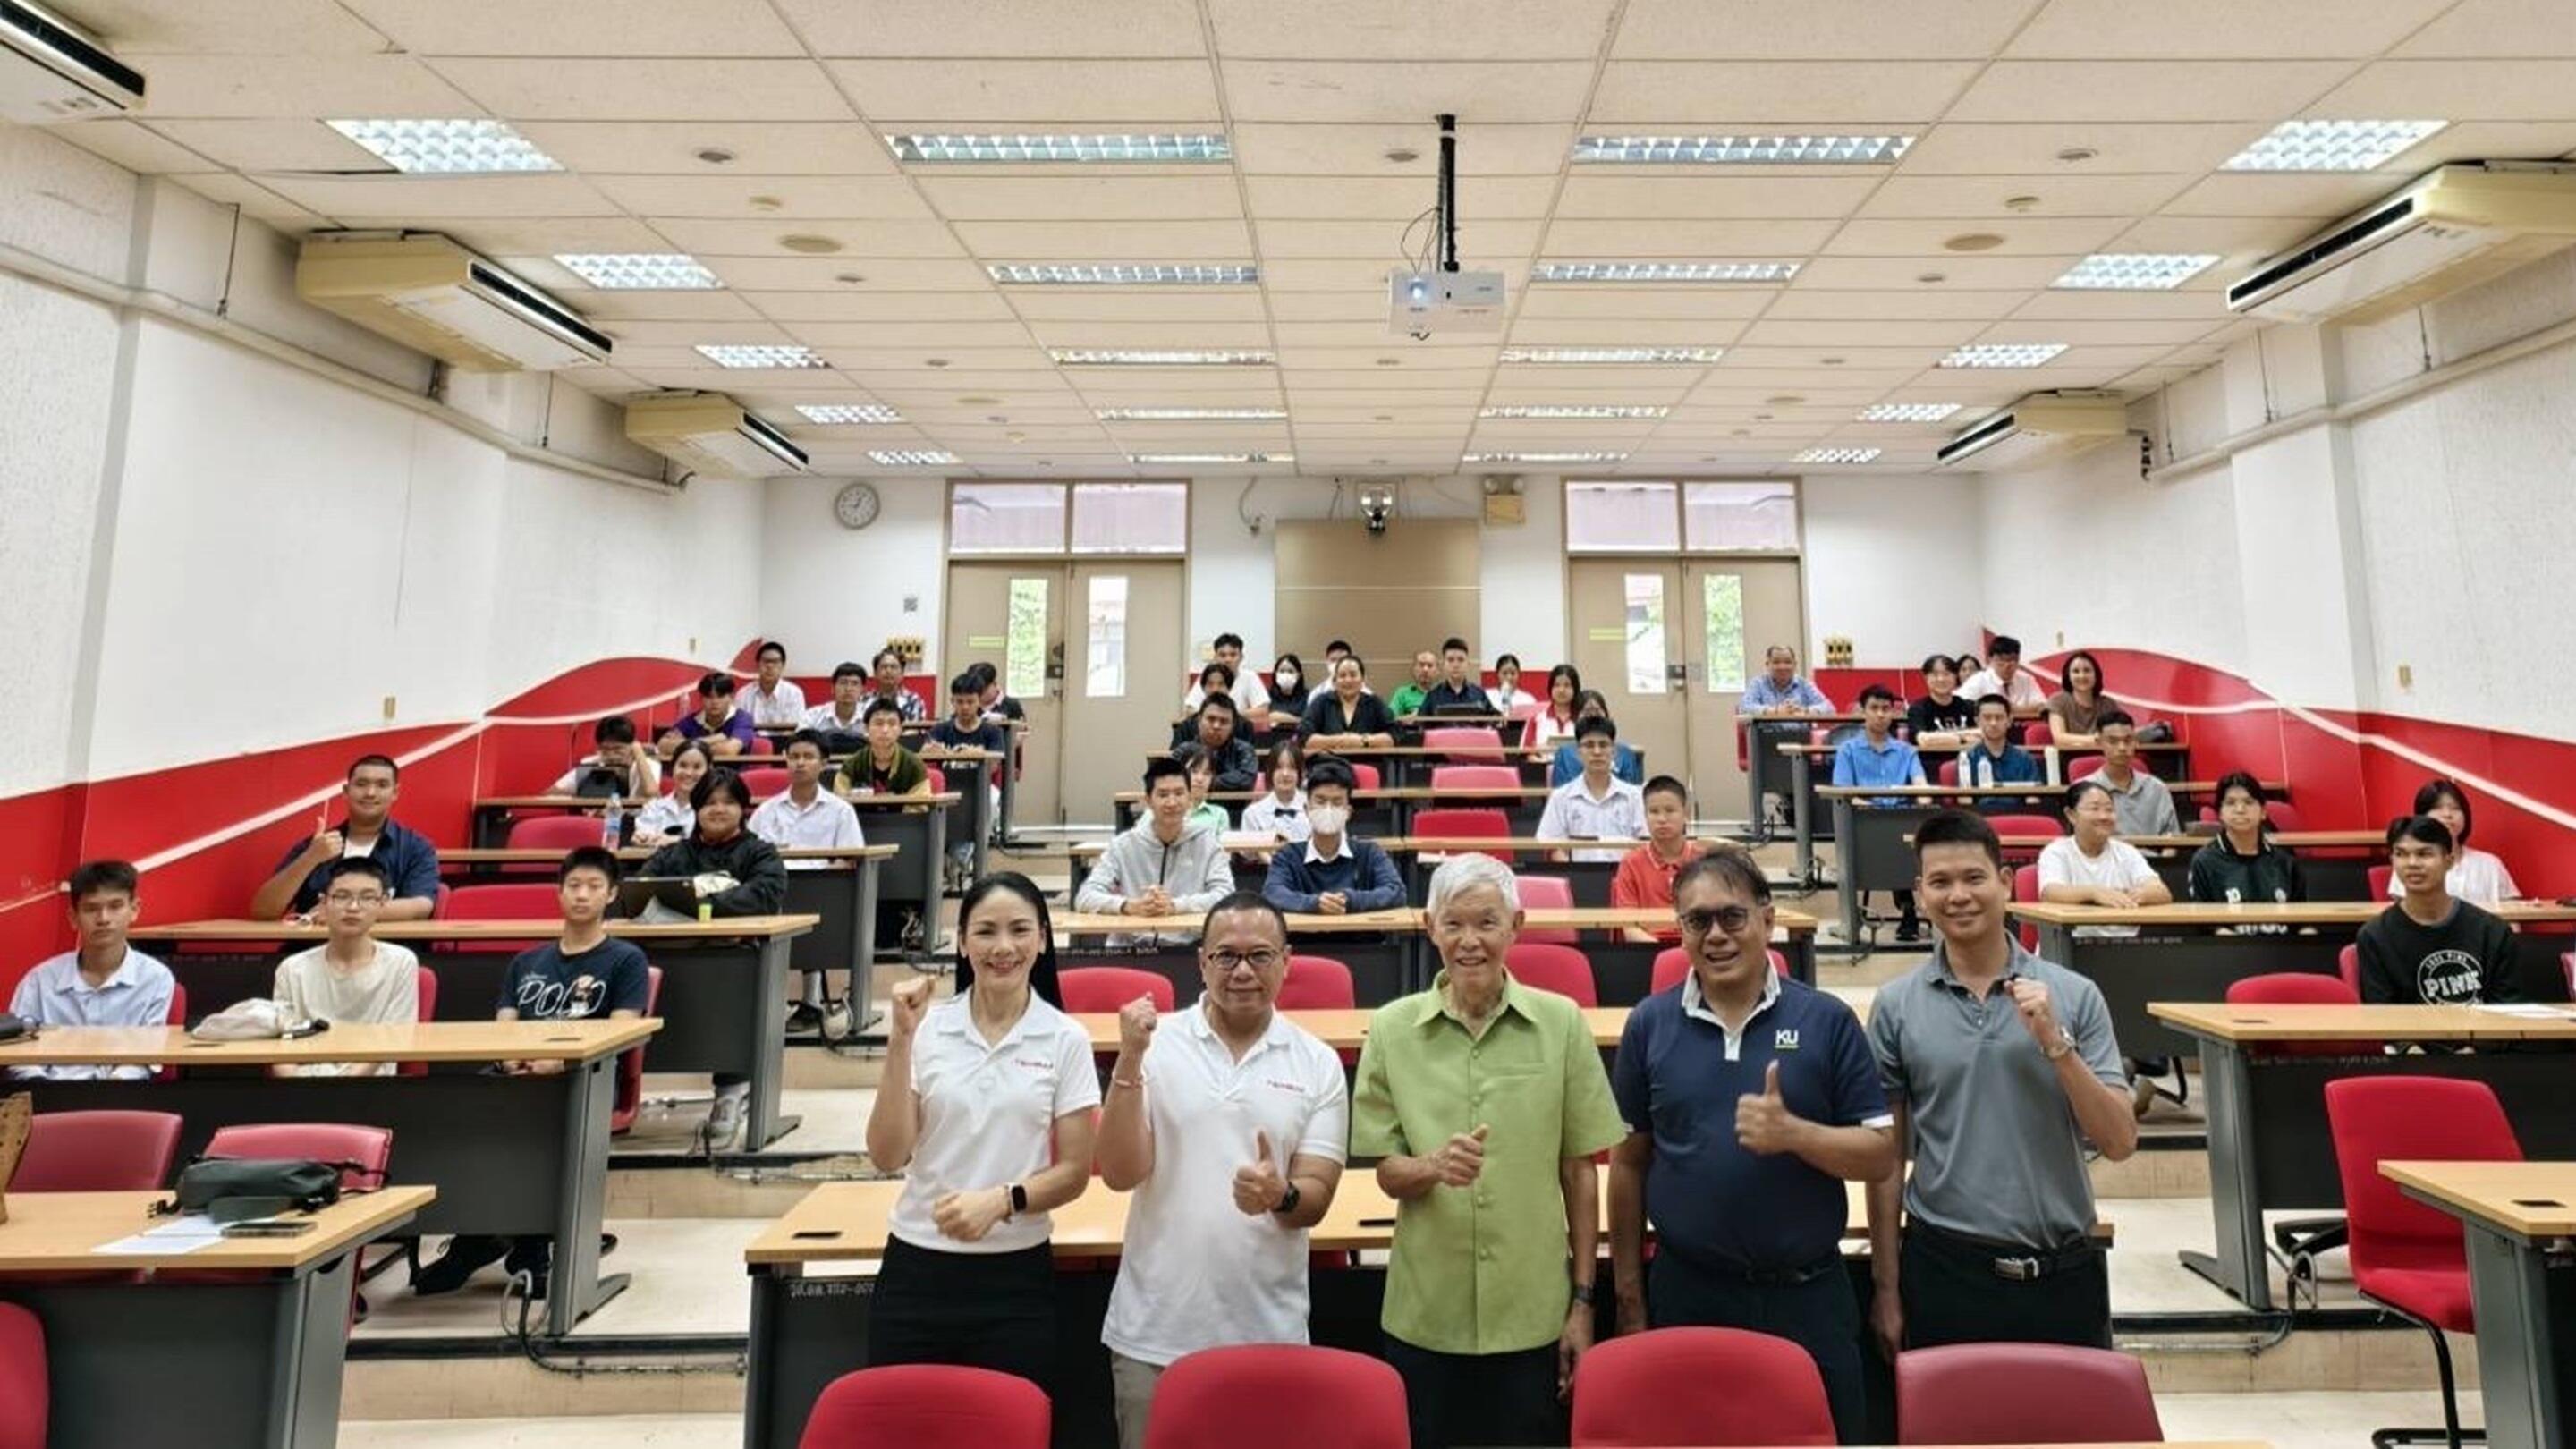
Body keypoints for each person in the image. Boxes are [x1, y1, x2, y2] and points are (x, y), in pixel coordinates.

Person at [1609, 852, 1895, 1441]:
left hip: (1807, 1295)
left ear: (1768, 919)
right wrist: (1630, 1297)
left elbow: (1879, 1155)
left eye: (1732, 917)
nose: (1715, 935)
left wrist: (1796, 1134)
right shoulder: (1649, 1024)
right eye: (1697, 921)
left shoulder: (1827, 1021)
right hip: (1689, 1291)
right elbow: (1629, 1162)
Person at [1350, 854, 1629, 1449]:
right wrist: (1429, 1167)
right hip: (1425, 1316)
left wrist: (1583, 1302)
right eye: (1453, 924)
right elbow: (1385, 1170)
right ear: (1430, 927)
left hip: (1533, 1313)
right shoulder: (1393, 1029)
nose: (1469, 941)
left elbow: (1581, 1175)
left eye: (1486, 923)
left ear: (1517, 926)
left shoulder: (1562, 1025)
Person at [1867, 809, 2136, 1355]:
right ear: (1920, 894)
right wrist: (1886, 1288)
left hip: (2064, 1267)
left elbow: (2119, 1142)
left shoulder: (2075, 994)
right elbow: (1886, 1160)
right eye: (1940, 883)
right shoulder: (1896, 1007)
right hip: (1946, 1267)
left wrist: (2056, 1046)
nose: (1958, 896)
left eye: (1974, 878)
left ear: (2006, 883)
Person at [1097, 893, 1350, 1449]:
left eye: (1260, 956)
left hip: (1268, 1333)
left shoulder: (1317, 1063)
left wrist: (1280, 1195)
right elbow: (1118, 1172)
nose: (1242, 972)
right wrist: (1129, 1061)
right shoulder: (1155, 1045)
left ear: (1287, 961)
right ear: (1201, 962)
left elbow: (1316, 1196)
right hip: (1155, 1333)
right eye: (1225, 957)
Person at [865, 875, 1097, 1394]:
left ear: (1042, 939)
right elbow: (886, 1153)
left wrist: (1003, 1201)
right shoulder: (928, 1028)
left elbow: (1075, 1172)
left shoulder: (1066, 1038)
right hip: (915, 1269)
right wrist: (900, 1039)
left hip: (1015, 1278)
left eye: (1019, 930)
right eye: (986, 932)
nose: (1003, 947)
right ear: (964, 942)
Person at [415, 846, 651, 1296]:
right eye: (573, 886)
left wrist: (560, 1062)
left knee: (532, 1123)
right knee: (453, 1116)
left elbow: (623, 1031)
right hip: (517, 1076)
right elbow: (505, 1030)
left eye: (593, 887)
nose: (582, 896)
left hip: (584, 1079)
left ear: (612, 895)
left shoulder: (625, 959)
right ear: (559, 893)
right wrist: (513, 1059)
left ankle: (508, 1240)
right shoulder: (526, 961)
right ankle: (490, 1233)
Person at [643, 767, 788, 1146]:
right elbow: (642, 894)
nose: (718, 810)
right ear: (695, 809)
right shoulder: (674, 853)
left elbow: (762, 896)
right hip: (674, 955)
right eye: (709, 803)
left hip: (734, 957)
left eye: (728, 802)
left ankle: (732, 1090)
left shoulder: (760, 853)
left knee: (732, 982)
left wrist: (694, 903)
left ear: (743, 808)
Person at [7, 860, 174, 1082]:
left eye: (115, 906)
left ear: (134, 910)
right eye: (91, 909)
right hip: (47, 1097)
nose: (103, 919)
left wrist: (109, 1091)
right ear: (73, 917)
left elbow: (147, 1057)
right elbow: (18, 1054)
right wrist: (44, 1090)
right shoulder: (39, 980)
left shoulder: (155, 978)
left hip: (123, 1097)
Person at [750, 731, 867, 1034]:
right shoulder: (767, 811)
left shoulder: (841, 811)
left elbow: (850, 858)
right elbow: (748, 856)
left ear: (824, 763)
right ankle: (768, 1001)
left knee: (813, 897)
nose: (800, 763)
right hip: (773, 889)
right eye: (794, 757)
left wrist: (823, 879)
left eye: (808, 757)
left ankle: (811, 1001)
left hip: (822, 889)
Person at [268, 857, 421, 1077]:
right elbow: (280, 1046)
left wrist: (343, 1087)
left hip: (370, 1089)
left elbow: (396, 1038)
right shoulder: (292, 969)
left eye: (367, 898)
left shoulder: (401, 963)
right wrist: (296, 1088)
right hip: (302, 1087)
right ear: (323, 902)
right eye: (342, 897)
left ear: (383, 902)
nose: (353, 907)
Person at [251, 754, 440, 921]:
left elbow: (421, 906)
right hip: (313, 950)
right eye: (361, 784)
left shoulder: (416, 847)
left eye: (382, 785)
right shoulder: (316, 846)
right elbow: (264, 910)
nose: (370, 793)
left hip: (384, 952)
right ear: (345, 791)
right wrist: (310, 858)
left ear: (395, 793)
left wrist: (341, 911)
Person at [2360, 815, 2521, 1006]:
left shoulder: (2493, 932)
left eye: (2424, 854)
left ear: (2449, 861)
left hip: (2481, 1035)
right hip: (2410, 1036)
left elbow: (2508, 1010)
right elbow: (2382, 1018)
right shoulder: (2375, 936)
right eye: (2401, 854)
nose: (2412, 863)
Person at [1077, 757, 1235, 944]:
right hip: (1130, 947)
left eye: (1179, 793)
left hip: (1186, 949)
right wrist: (1128, 906)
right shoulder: (1123, 845)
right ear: (1148, 801)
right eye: (1163, 794)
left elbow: (1226, 894)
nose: (1172, 802)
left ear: (1190, 798)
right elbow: (1085, 897)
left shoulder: (1207, 842)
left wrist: (1176, 906)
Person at [1835, 684, 1930, 941]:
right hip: (1863, 820)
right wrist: (1870, 807)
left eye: (1886, 709)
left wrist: (1924, 801)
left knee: (1907, 833)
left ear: (1893, 713)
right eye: (1874, 708)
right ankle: (1904, 907)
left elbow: (1921, 787)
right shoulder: (1848, 751)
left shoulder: (1907, 751)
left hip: (1900, 817)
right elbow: (1844, 793)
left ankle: (1909, 908)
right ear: (1862, 712)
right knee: (1886, 834)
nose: (1880, 714)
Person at [1261, 756, 1404, 915]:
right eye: (1321, 801)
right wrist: (1315, 903)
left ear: (1348, 812)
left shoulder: (1370, 852)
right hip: (1304, 939)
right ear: (1307, 809)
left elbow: (1396, 891)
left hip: (1362, 939)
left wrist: (1349, 900)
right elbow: (1272, 894)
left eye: (1337, 802)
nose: (1328, 809)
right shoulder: (1288, 855)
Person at [2038, 780, 2173, 925]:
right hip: (2069, 942)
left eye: (2109, 810)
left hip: (2121, 943)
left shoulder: (2126, 852)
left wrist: (2140, 895)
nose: (2104, 816)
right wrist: (2094, 893)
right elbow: (2050, 892)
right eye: (2095, 809)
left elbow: (2162, 891)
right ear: (2071, 815)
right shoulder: (2057, 852)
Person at [930, 672, 1010, 888]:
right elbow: (926, 758)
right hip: (948, 786)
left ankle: (966, 857)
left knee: (992, 800)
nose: (965, 707)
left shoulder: (991, 732)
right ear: (952, 702)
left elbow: (995, 764)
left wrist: (974, 752)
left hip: (979, 786)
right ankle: (948, 858)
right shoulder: (941, 729)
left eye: (970, 702)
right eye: (960, 702)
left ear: (979, 702)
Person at [2186, 772, 2304, 917]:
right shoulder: (2204, 861)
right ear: (2220, 814)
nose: (2240, 810)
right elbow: (2204, 924)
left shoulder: (2285, 862)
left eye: (2248, 802)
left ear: (2263, 812)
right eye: (2231, 803)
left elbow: (2301, 921)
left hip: (2281, 938)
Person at [2393, 779, 2521, 905]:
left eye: (2455, 808)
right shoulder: (2410, 864)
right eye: (2438, 808)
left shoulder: (2490, 864)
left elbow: (2512, 918)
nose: (2448, 814)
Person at [1538, 716, 1646, 864]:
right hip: (1577, 875)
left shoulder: (1634, 796)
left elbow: (1644, 843)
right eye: (1589, 745)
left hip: (1625, 876)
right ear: (1578, 752)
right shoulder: (1560, 797)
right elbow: (1554, 848)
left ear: (1614, 751)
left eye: (1603, 745)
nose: (1597, 752)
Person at [1609, 775, 1705, 943]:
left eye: (1670, 811)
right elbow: (1629, 927)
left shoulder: (1704, 861)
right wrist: (1661, 952)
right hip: (1647, 949)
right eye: (1654, 812)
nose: (1662, 819)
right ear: (1645, 816)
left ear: (1686, 814)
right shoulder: (1631, 863)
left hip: (1696, 948)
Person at [2092, 712, 2180, 836]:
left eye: (2128, 741)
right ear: (2098, 743)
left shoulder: (2157, 788)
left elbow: (2172, 838)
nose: (2122, 747)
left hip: (2153, 856)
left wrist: (2164, 856)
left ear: (2136, 742)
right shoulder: (2086, 789)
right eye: (2113, 741)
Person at [1547, 690, 1644, 788]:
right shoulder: (1564, 754)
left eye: (1597, 712)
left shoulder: (1625, 753)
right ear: (1576, 719)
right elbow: (1561, 791)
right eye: (1587, 713)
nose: (1592, 717)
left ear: (1607, 716)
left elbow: (1632, 791)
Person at [838, 699, 934, 797]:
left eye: (892, 724)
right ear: (866, 728)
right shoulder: (851, 765)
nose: (885, 730)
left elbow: (920, 806)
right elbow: (840, 803)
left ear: (901, 729)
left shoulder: (915, 765)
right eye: (879, 724)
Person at [550, 715, 660, 800]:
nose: (611, 755)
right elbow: (550, 792)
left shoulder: (649, 765)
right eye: (605, 749)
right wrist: (580, 794)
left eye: (618, 749)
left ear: (632, 745)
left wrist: (639, 752)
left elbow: (652, 794)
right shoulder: (592, 764)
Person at [1300, 654, 1397, 749]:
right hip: (1329, 762)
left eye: (1353, 675)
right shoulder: (1321, 702)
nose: (1348, 680)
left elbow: (1393, 736)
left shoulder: (1374, 703)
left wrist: (1362, 740)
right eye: (1342, 676)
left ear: (1363, 679)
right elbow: (1305, 737)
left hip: (1367, 762)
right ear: (1334, 681)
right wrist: (1342, 740)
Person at [1956, 695, 2042, 792]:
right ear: (1977, 721)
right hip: (1979, 808)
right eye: (1987, 718)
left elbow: (2033, 799)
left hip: (2017, 808)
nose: (1993, 723)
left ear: (2009, 721)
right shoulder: (1967, 759)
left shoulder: (2026, 759)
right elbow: (1964, 799)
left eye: (1999, 717)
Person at [1174, 692, 1258, 792]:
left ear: (1233, 726)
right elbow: (1169, 777)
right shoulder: (1184, 750)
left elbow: (1246, 780)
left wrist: (1204, 782)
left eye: (1224, 721)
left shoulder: (1244, 750)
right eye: (1211, 719)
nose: (1216, 726)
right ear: (1199, 720)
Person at [632, 741, 709, 847]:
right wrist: (642, 839)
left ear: (708, 771)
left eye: (697, 767)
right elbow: (644, 836)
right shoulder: (654, 807)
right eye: (683, 766)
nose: (689, 773)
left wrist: (676, 841)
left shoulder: (713, 809)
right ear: (673, 768)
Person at [1184, 632, 1271, 726]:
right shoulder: (1206, 676)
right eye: (1223, 655)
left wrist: (1228, 716)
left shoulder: (1250, 677)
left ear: (1241, 657)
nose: (1228, 660)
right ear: (1215, 657)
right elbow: (1190, 710)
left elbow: (1263, 710)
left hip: (1239, 728)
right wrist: (1214, 717)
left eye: (1233, 655)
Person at [661, 671, 754, 758]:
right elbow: (663, 746)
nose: (715, 702)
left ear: (731, 697)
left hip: (728, 772)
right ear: (701, 698)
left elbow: (728, 751)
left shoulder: (742, 718)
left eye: (720, 696)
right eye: (709, 697)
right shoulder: (694, 719)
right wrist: (713, 739)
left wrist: (685, 745)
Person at [2044, 650, 2120, 749]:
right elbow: (2060, 739)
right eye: (2076, 671)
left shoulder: (2108, 704)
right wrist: (2097, 740)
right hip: (2068, 758)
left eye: (2087, 670)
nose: (2082, 676)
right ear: (2068, 676)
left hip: (2104, 757)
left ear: (2096, 675)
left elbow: (2118, 735)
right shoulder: (2057, 701)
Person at [1240, 740, 1310, 843]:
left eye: (1292, 768)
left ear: (1302, 773)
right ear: (1269, 771)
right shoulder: (1252, 813)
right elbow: (1247, 854)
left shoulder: (1314, 809)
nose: (1285, 774)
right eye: (1279, 768)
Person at [1959, 636, 2045, 717]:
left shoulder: (2027, 679)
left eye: (2012, 660)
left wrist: (2007, 709)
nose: (2007, 665)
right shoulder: (1979, 679)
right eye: (2001, 660)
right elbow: (1960, 704)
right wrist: (2023, 709)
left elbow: (2042, 706)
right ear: (1990, 660)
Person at [1736, 644, 1834, 716]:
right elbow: (1744, 708)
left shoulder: (1804, 684)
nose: (1782, 667)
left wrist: (1805, 710)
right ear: (1767, 664)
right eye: (1776, 662)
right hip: (1765, 737)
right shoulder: (1758, 684)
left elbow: (1830, 708)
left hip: (1800, 737)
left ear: (1795, 665)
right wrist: (1775, 711)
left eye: (1787, 662)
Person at [1906, 655, 1978, 749]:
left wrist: (1939, 738)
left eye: (1947, 674)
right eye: (1935, 675)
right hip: (1933, 761)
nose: (1941, 679)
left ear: (1956, 677)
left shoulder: (1969, 706)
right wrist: (1962, 739)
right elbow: (1924, 740)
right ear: (1926, 678)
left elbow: (1983, 734)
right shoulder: (1918, 709)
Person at [801, 661, 872, 747]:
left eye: (854, 684)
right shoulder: (813, 715)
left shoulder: (871, 716)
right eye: (843, 683)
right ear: (832, 688)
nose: (848, 689)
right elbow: (800, 743)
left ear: (863, 690)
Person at [742, 640, 806, 729]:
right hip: (752, 741)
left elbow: (795, 728)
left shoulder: (794, 693)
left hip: (785, 741)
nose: (770, 666)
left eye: (775, 662)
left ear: (783, 665)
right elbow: (740, 728)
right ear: (757, 665)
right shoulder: (743, 694)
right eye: (765, 661)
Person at [1421, 636, 1493, 715]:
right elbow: (1421, 724)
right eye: (1450, 660)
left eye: (1461, 660)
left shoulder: (1479, 694)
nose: (1456, 665)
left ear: (1467, 663)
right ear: (1443, 664)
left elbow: (1494, 719)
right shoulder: (1432, 696)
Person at [1526, 665, 1583, 751]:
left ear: (1575, 689)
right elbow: (1526, 753)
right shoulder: (1536, 719)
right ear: (1550, 688)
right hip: (1544, 764)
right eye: (1557, 685)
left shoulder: (1583, 720)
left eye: (1567, 685)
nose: (1561, 690)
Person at [868, 648, 928, 723]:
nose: (888, 671)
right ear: (875, 673)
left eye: (893, 667)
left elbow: (916, 731)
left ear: (902, 674)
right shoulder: (864, 700)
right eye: (884, 667)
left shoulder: (913, 701)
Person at [1180, 751, 1228, 833]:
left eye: (1207, 774)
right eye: (1194, 771)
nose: (1200, 779)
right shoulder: (1163, 812)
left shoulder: (1220, 815)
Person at [1387, 648, 1438, 718]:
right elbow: (1390, 718)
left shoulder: (1444, 694)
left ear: (1437, 671)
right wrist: (1407, 718)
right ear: (1414, 670)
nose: (1425, 669)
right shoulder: (1402, 693)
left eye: (1430, 666)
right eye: (1421, 665)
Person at [1266, 653, 1311, 720]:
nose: (1286, 675)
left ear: (1298, 675)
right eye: (1282, 671)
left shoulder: (1308, 697)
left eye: (1290, 671)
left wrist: (1283, 718)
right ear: (1275, 674)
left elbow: (1310, 721)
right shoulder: (1267, 696)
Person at [1490, 652, 1534, 716]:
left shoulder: (1528, 700)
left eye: (1513, 673)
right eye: (1504, 673)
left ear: (1519, 674)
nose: (1509, 677)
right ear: (1497, 674)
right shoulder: (1487, 696)